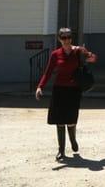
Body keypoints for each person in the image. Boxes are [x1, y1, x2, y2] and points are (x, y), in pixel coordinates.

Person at [35, 27, 97, 161]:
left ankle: (73, 140)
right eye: (64, 38)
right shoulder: (55, 54)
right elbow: (48, 72)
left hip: (74, 90)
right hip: (59, 89)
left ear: (71, 38)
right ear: (59, 39)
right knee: (59, 121)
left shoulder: (78, 51)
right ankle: (61, 150)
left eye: (69, 37)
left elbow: (93, 59)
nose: (67, 40)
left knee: (71, 120)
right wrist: (40, 87)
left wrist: (89, 55)